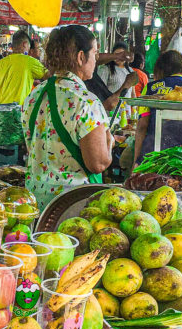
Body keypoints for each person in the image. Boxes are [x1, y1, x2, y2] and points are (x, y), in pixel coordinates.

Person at [22, 24, 113, 207]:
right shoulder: (86, 101)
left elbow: (33, 147)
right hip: (72, 205)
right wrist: (109, 142)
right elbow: (98, 164)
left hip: (35, 202)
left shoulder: (34, 95)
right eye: (94, 53)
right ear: (81, 57)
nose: (96, 60)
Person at [133, 51, 182, 164]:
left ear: (160, 69)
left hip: (153, 152)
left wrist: (136, 162)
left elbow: (142, 126)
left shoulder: (150, 88)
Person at [0, 30, 47, 106]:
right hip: (22, 112)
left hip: (3, 112)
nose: (29, 49)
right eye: (28, 47)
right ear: (24, 44)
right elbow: (49, 76)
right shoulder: (29, 61)